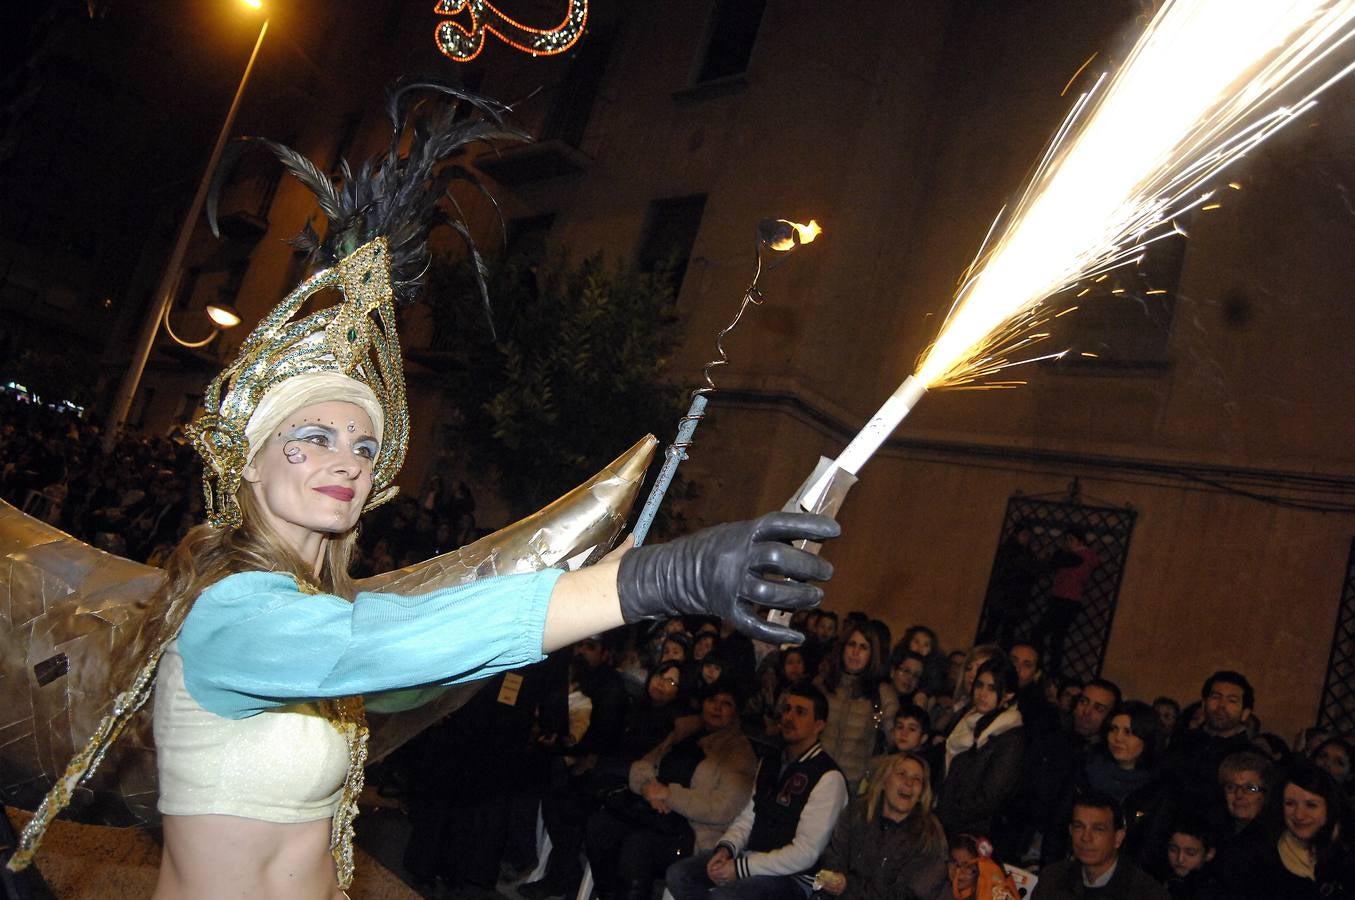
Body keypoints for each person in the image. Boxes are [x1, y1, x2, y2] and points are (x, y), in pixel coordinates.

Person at [6, 85, 841, 900]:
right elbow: (388, 637)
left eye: (364, 445)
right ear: (249, 462)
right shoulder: (231, 613)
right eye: (314, 436)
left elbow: (417, 665)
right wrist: (661, 578)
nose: (347, 460)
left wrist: (576, 597)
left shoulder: (319, 618)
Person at [664, 684, 849, 900]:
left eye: (800, 712)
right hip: (751, 860)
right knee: (679, 875)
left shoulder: (828, 776)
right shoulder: (771, 761)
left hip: (794, 878)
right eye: (787, 709)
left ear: (819, 724)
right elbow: (749, 816)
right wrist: (726, 849)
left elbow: (805, 853)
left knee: (725, 897)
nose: (789, 717)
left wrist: (742, 867)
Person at [585, 681, 758, 900]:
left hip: (692, 829)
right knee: (600, 826)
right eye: (712, 701)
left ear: (735, 713)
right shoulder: (686, 731)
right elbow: (646, 763)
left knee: (638, 846)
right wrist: (648, 786)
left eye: (726, 704)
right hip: (653, 811)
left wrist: (669, 795)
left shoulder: (739, 753)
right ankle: (607, 894)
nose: (716, 708)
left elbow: (722, 808)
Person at [816, 753, 949, 900]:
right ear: (884, 781)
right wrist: (834, 881)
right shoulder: (856, 813)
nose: (909, 783)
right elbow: (833, 858)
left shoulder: (930, 835)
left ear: (922, 792)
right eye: (901, 774)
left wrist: (849, 887)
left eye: (917, 779)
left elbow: (912, 893)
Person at [938, 658, 1024, 838]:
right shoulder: (970, 721)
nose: (982, 694)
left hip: (973, 832)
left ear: (1008, 694)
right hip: (948, 819)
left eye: (992, 689)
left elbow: (990, 796)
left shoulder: (1009, 737)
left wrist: (948, 816)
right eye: (980, 685)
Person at [1031, 794, 1169, 899]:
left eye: (1098, 829)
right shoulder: (1052, 880)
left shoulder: (1145, 893)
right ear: (1070, 831)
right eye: (1079, 827)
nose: (1086, 837)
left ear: (1118, 838)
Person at [1253, 761, 1355, 898]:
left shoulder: (1346, 852)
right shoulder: (1260, 854)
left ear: (1330, 808)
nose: (1299, 815)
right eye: (1290, 804)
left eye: (1311, 805)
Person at [816, 621, 894, 791]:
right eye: (852, 644)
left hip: (852, 787)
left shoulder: (882, 694)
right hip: (815, 778)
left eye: (863, 647)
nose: (855, 652)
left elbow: (894, 743)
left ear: (872, 654)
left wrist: (872, 769)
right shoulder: (823, 685)